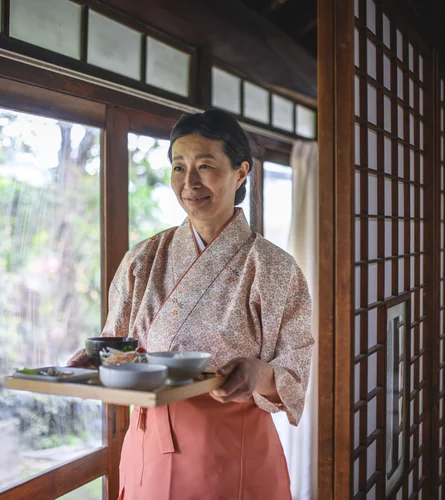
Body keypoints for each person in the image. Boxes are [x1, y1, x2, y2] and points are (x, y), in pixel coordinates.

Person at [67, 109, 313, 500]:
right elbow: (118, 344)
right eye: (178, 167)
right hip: (148, 443)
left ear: (241, 172)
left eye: (204, 165)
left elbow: (295, 370)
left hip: (232, 450)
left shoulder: (273, 267)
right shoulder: (143, 258)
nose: (189, 182)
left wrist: (257, 371)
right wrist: (94, 362)